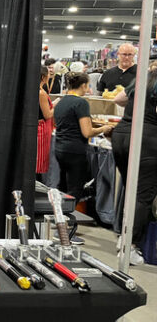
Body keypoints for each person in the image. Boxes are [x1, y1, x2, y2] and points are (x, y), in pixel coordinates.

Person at [54, 72, 115, 241]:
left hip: (60, 148)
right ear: (83, 86)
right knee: (75, 189)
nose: (88, 89)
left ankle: (60, 222)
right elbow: (87, 131)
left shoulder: (62, 101)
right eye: (88, 85)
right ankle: (64, 230)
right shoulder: (81, 103)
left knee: (63, 187)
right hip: (75, 150)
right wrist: (103, 129)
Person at [111, 61, 157, 265]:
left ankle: (124, 237)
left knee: (131, 189)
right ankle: (130, 246)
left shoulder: (143, 79)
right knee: (143, 194)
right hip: (145, 138)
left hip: (122, 133)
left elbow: (119, 99)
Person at [37, 66, 55, 177]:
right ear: (43, 77)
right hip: (41, 129)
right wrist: (57, 106)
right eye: (48, 74)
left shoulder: (38, 90)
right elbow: (47, 114)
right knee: (39, 160)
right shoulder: (41, 93)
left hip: (40, 128)